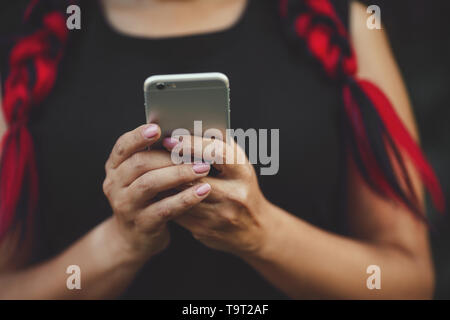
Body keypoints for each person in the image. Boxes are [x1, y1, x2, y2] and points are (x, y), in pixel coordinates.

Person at [0, 0, 442, 299]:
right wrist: (121, 245)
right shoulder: (35, 37)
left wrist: (263, 235)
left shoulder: (340, 23)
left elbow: (409, 278)